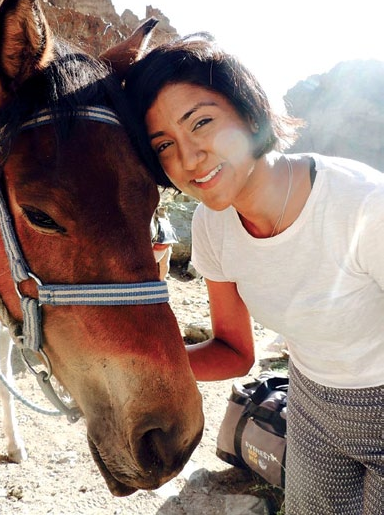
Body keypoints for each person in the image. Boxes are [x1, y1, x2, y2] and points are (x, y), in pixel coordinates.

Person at [124, 33, 384, 515]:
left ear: (248, 108)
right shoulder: (212, 225)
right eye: (164, 145)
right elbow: (235, 352)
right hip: (311, 406)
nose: (188, 157)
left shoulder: (363, 205)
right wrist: (141, 368)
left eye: (201, 121)